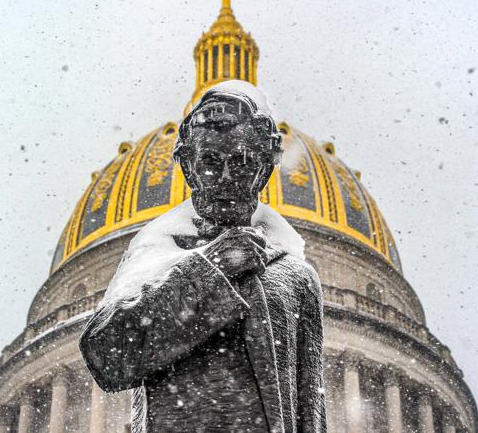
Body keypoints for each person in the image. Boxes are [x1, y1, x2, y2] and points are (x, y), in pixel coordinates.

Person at [79, 80, 327, 432]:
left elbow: (310, 413)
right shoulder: (162, 250)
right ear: (188, 167)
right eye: (211, 161)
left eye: (241, 162)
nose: (226, 177)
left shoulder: (295, 278)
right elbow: (108, 354)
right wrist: (211, 269)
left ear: (264, 169)